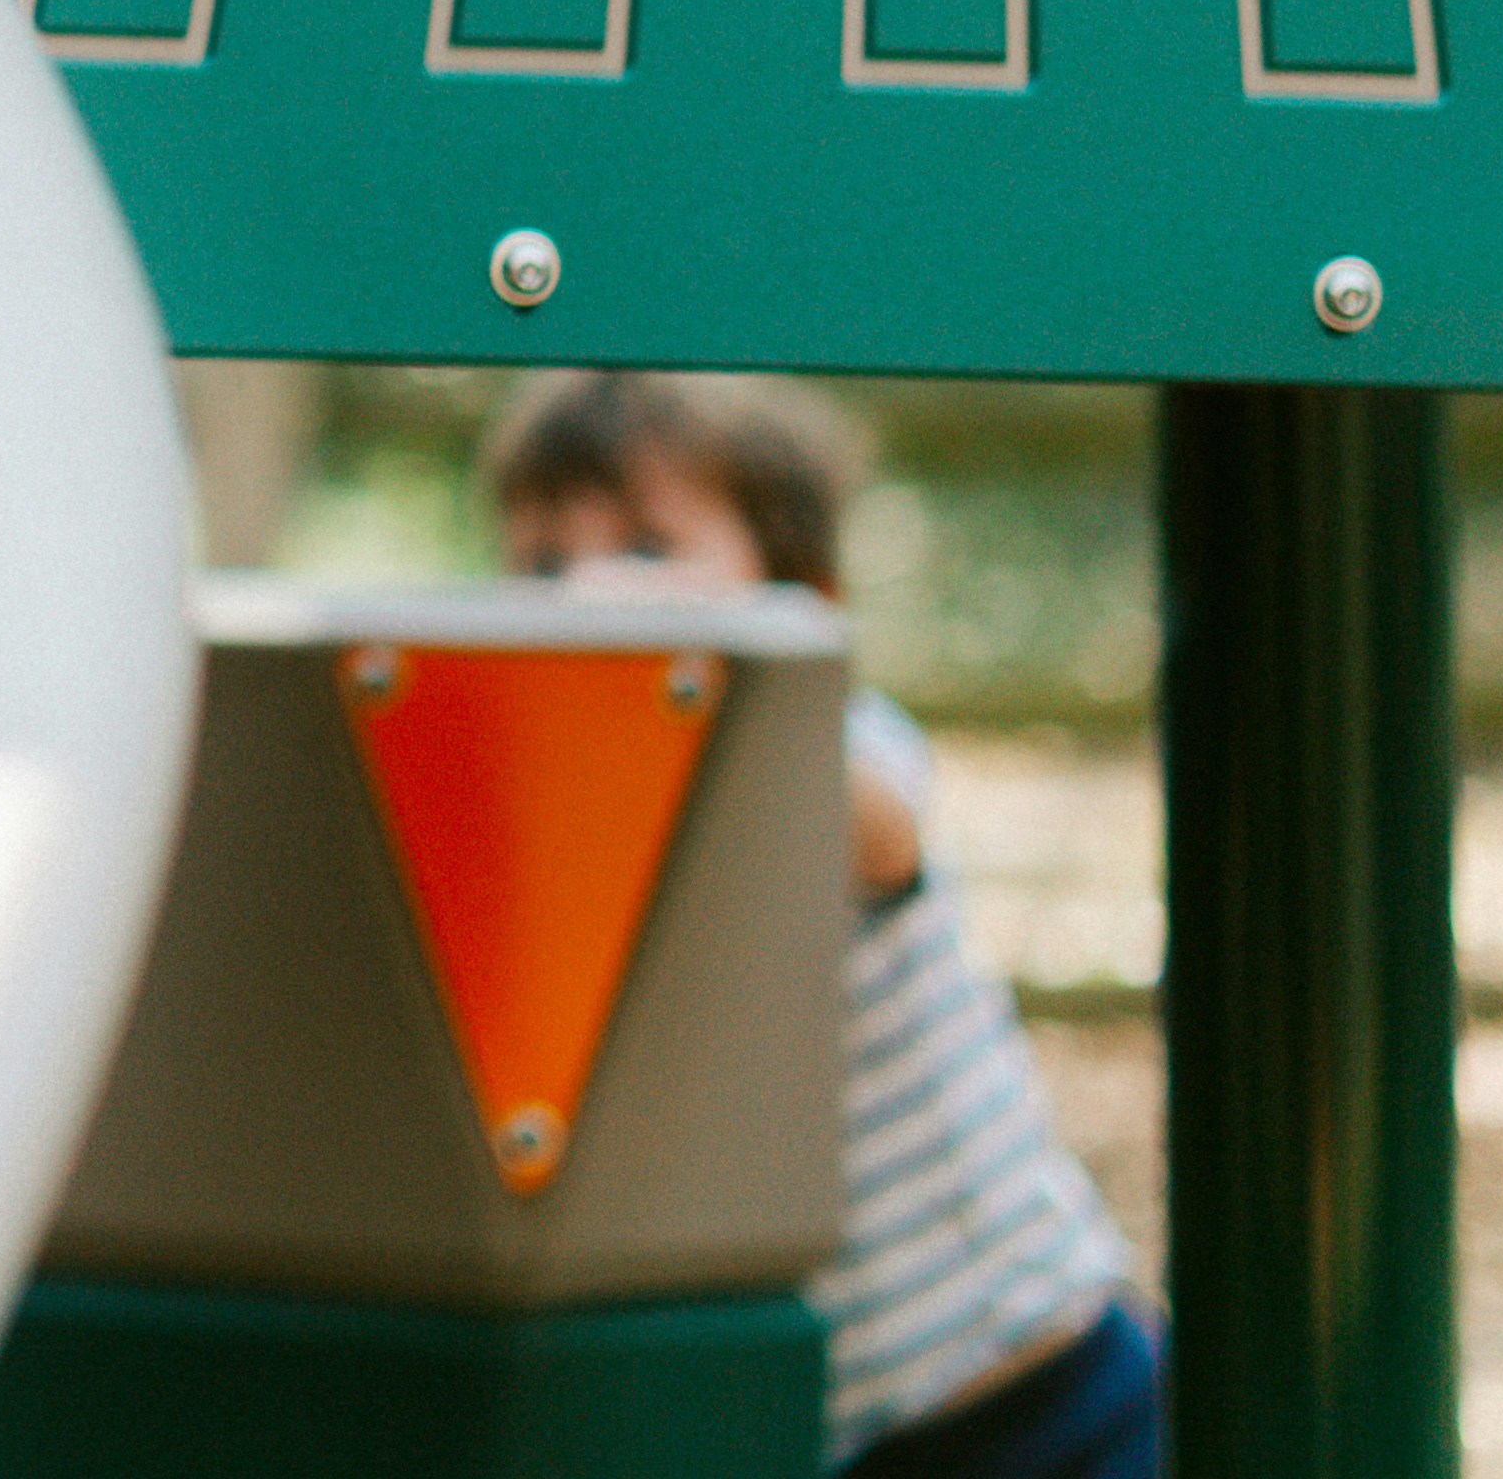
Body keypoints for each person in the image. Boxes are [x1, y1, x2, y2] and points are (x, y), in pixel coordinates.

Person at [489, 372, 1161, 1479]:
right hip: (840, 1434)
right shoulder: (572, 841)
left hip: (1046, 1387)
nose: (589, 590)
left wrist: (732, 655)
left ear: (800, 591)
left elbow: (878, 829)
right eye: (542, 564)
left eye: (647, 549)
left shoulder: (840, 744)